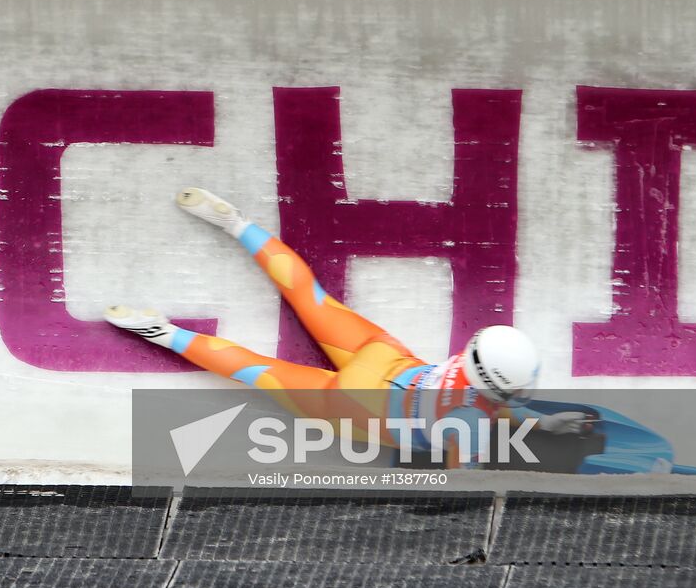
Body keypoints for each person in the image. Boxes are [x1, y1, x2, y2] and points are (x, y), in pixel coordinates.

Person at [106, 187, 589, 467]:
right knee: (255, 369)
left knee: (309, 295)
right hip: (355, 403)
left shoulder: (478, 363)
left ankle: (236, 223)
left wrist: (542, 422)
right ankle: (159, 331)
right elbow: (473, 451)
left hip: (386, 359)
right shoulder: (474, 417)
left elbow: (488, 407)